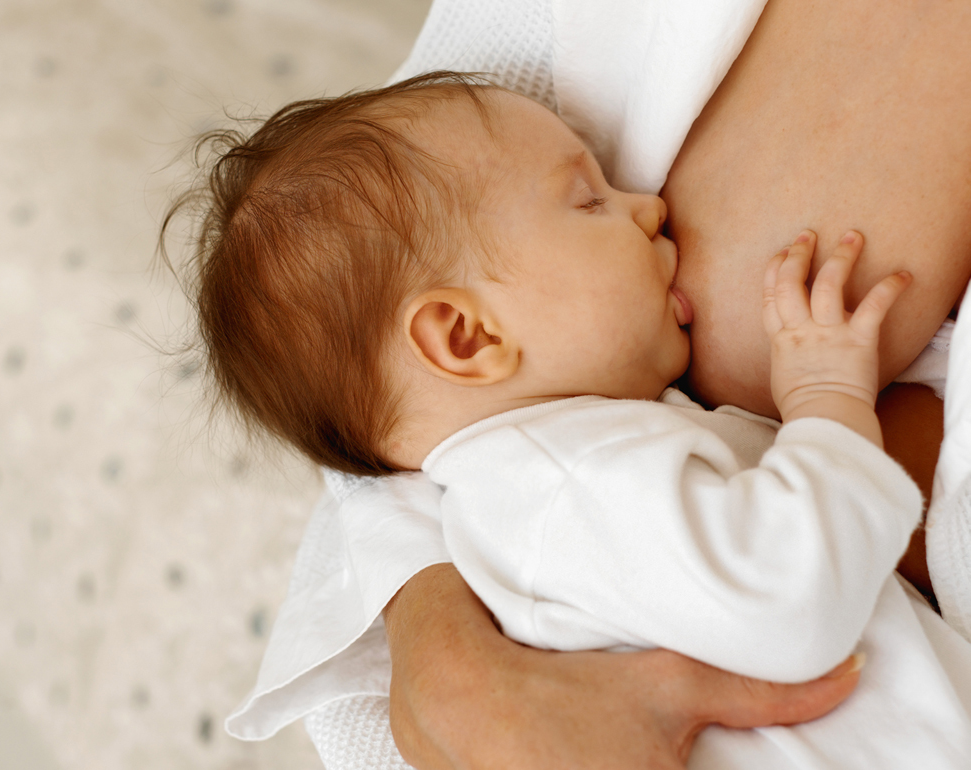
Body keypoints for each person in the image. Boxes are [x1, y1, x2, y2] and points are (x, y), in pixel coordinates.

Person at [170, 0, 971, 766]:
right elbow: (791, 596)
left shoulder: (551, 481)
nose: (649, 207)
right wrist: (827, 399)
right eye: (590, 199)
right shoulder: (568, 485)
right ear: (466, 336)